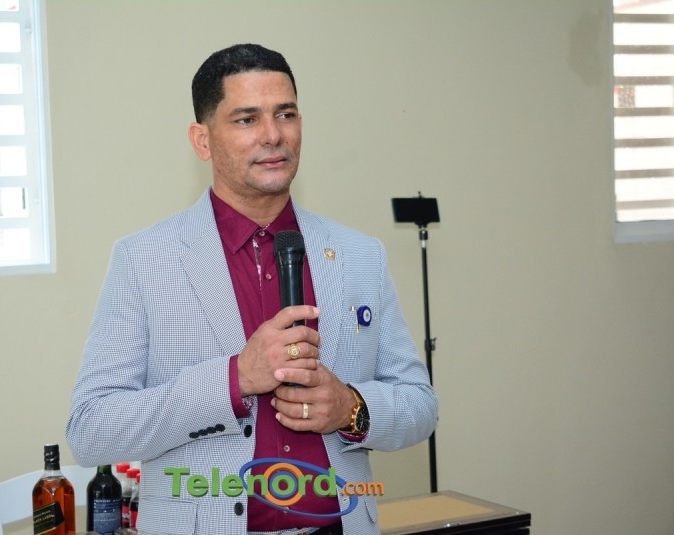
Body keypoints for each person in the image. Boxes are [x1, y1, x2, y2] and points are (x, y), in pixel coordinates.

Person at [66, 43, 438, 535]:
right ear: (202, 140)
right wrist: (234, 377)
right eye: (246, 119)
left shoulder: (359, 254)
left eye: (286, 114)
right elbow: (91, 428)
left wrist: (352, 408)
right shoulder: (144, 260)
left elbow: (419, 404)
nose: (273, 135)